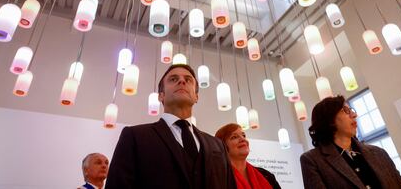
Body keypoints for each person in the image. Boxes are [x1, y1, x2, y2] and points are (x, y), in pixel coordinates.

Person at [106, 64, 236, 189]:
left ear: (196, 96)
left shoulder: (218, 145)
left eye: (188, 80)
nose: (182, 81)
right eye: (173, 79)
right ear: (161, 95)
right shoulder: (134, 136)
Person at [300, 96, 401, 189]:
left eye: (352, 110)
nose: (354, 115)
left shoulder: (379, 153)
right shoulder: (312, 160)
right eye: (346, 111)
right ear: (329, 120)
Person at [215, 123, 281, 189]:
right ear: (222, 146)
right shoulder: (217, 178)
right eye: (234, 137)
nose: (243, 139)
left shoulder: (266, 175)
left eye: (243, 135)